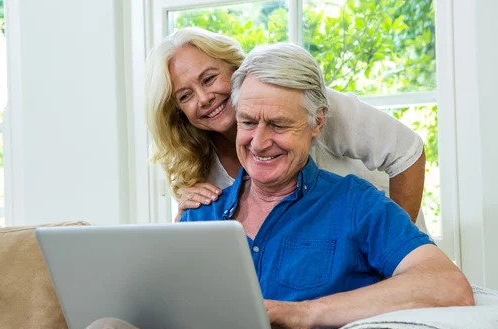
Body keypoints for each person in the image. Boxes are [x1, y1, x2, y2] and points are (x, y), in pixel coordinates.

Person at [28, 43, 473, 329]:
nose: (260, 142)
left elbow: (448, 286)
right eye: (247, 123)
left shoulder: (355, 204)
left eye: (278, 124)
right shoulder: (201, 209)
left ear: (317, 123)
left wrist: (301, 314)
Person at [145, 27, 427, 230]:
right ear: (178, 111)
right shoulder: (199, 161)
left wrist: (391, 244)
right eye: (185, 96)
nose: (204, 98)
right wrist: (185, 217)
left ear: (235, 69)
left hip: (375, 239)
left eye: (209, 79)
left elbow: (406, 151)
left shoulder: (305, 101)